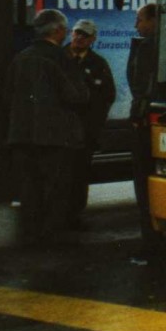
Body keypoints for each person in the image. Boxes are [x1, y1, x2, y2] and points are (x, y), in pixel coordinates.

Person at [4, 9, 88, 246]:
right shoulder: (61, 59)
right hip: (55, 138)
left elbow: (7, 95)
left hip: (21, 136)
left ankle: (29, 237)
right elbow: (78, 96)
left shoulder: (21, 57)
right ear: (57, 31)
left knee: (29, 190)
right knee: (56, 190)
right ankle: (50, 239)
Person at [63, 19, 116, 227]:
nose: (79, 38)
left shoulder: (98, 63)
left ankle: (75, 215)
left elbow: (108, 95)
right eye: (77, 33)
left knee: (79, 174)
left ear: (93, 39)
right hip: (60, 130)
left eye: (85, 35)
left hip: (85, 132)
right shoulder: (59, 58)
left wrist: (94, 125)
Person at [127, 2, 160, 254]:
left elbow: (138, 85)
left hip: (146, 123)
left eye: (140, 19)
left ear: (153, 20)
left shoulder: (147, 47)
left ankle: (150, 240)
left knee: (144, 183)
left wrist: (138, 115)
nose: (137, 25)